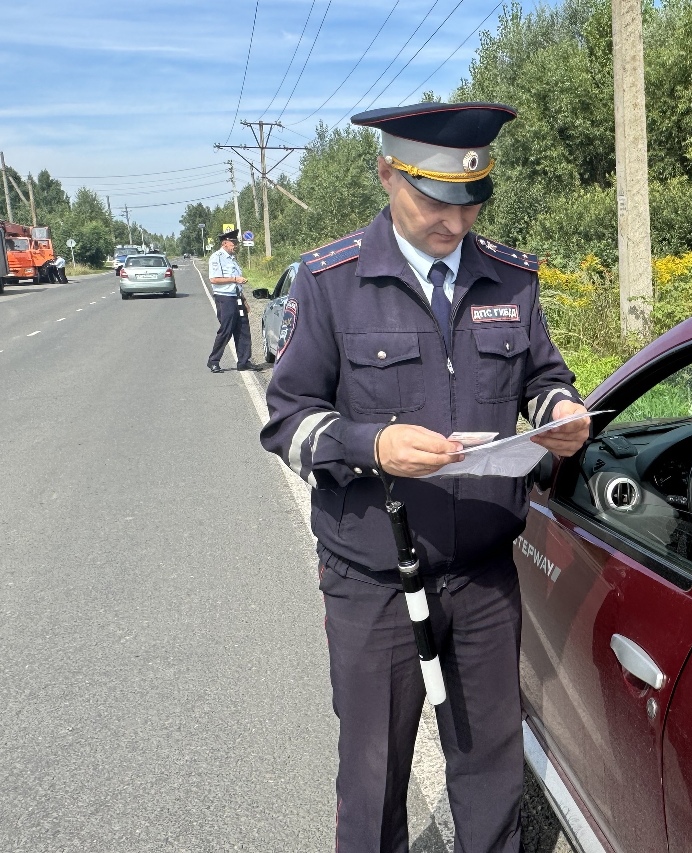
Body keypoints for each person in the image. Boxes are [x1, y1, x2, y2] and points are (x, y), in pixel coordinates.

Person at [259, 101, 591, 853]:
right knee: (373, 774)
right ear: (385, 173)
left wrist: (561, 408)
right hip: (372, 581)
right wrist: (371, 444)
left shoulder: (510, 279)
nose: (455, 220)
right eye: (435, 199)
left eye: (471, 200)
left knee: (490, 767)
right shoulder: (331, 281)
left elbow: (542, 376)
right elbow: (288, 420)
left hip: (481, 577)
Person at [205, 229, 260, 373]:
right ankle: (214, 361)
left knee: (243, 329)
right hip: (225, 298)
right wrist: (235, 279)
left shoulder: (232, 259)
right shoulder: (216, 257)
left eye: (236, 242)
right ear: (225, 243)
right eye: (233, 242)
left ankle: (244, 361)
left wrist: (244, 299)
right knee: (226, 330)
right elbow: (214, 279)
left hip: (237, 297)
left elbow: (237, 284)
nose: (235, 245)